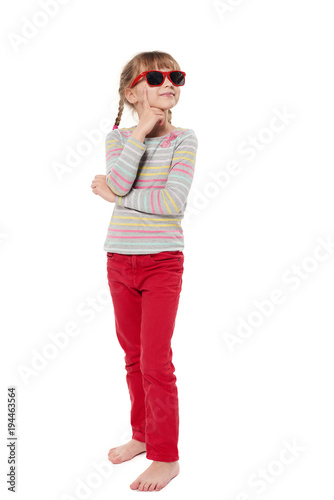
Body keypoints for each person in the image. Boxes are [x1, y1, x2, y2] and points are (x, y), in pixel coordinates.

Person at [91, 50, 198, 492]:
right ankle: (142, 433)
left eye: (175, 75)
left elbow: (171, 204)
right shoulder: (119, 140)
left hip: (161, 263)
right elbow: (120, 180)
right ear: (132, 91)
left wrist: (115, 196)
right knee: (133, 357)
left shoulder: (184, 139)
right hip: (119, 259)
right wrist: (139, 133)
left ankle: (166, 456)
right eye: (155, 77)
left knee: (156, 361)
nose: (168, 82)